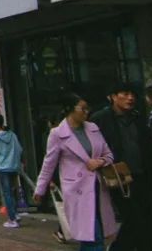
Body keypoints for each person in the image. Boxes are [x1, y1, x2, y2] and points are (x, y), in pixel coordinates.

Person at [34, 93, 118, 251]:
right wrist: (40, 189)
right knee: (93, 237)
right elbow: (48, 164)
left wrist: (99, 161)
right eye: (82, 108)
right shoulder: (57, 134)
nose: (86, 112)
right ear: (70, 109)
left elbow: (109, 154)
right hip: (77, 190)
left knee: (94, 235)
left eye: (88, 108)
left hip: (98, 188)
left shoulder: (93, 128)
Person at [92, 82, 152, 251]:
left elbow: (148, 147)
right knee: (134, 219)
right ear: (113, 97)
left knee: (146, 220)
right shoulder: (100, 119)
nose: (130, 98)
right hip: (118, 178)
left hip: (142, 175)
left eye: (133, 95)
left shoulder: (138, 118)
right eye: (125, 94)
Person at [0, 113, 24, 228]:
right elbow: (19, 149)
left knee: (7, 194)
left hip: (3, 169)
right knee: (13, 192)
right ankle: (16, 214)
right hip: (14, 167)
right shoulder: (12, 135)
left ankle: (12, 219)